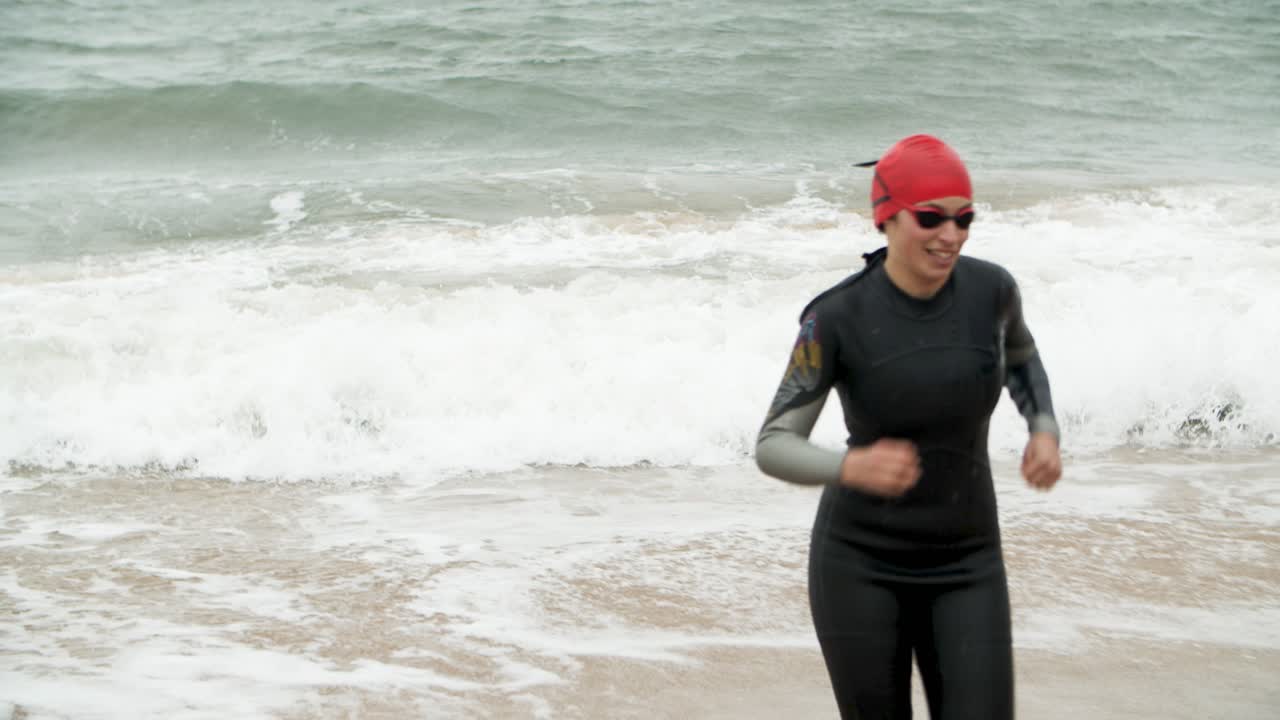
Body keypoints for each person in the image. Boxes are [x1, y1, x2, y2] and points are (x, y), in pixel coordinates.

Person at [755, 134, 1062, 719]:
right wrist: (850, 466)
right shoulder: (835, 317)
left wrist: (1043, 428)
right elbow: (774, 444)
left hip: (969, 561)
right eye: (930, 218)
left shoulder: (992, 292)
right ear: (888, 217)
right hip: (860, 567)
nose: (951, 235)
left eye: (964, 219)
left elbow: (1022, 360)